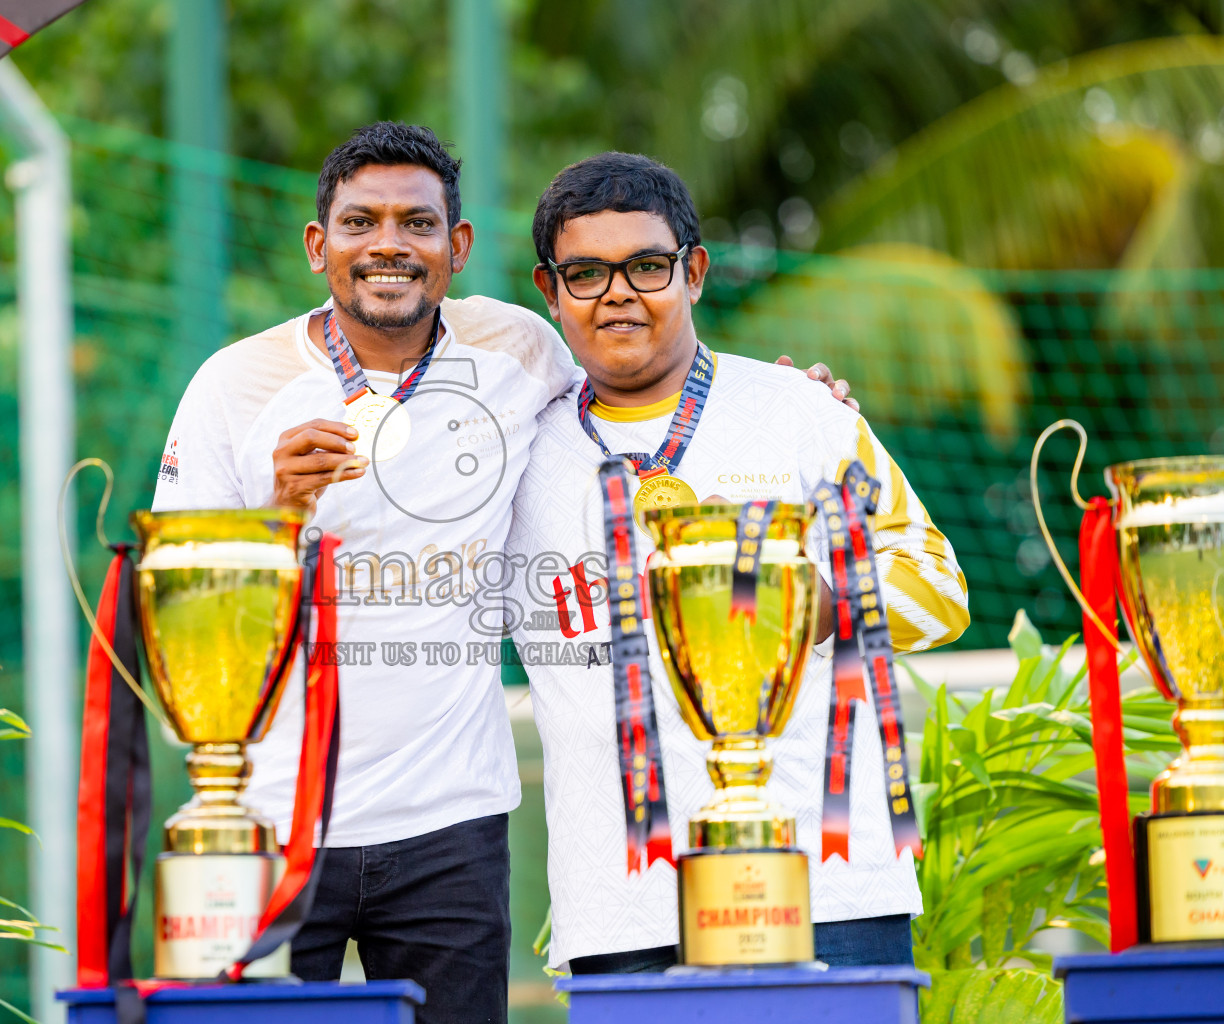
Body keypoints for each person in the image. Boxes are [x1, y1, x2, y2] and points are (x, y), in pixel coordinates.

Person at [153, 123, 855, 1022]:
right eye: (361, 223)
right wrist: (277, 518)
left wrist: (794, 406)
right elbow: (176, 617)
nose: (390, 245)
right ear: (319, 246)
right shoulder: (233, 384)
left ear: (458, 245)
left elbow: (632, 392)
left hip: (452, 823)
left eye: (417, 221)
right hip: (267, 816)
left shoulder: (520, 349)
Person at [504, 151, 970, 976]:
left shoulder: (798, 412)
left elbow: (938, 588)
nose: (617, 293)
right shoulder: (517, 452)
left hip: (830, 886)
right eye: (586, 273)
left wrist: (796, 604)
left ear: (695, 272)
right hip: (621, 901)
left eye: (646, 266)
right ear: (550, 291)